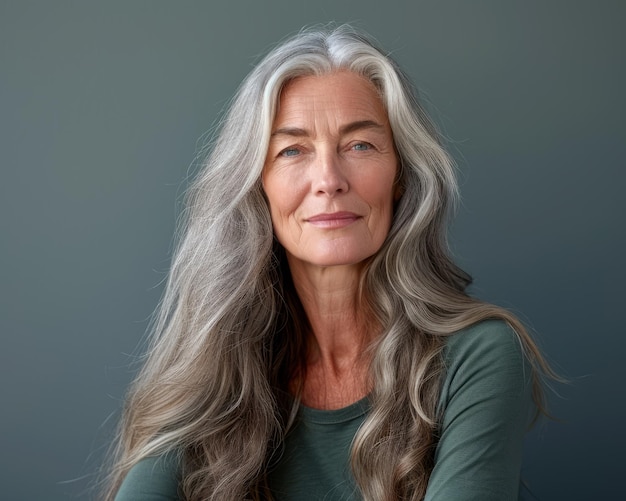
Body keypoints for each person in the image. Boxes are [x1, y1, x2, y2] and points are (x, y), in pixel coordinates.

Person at [104, 25, 552, 500]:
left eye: (359, 145)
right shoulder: (215, 363)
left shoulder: (477, 354)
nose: (329, 179)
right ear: (259, 186)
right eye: (293, 150)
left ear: (401, 175)